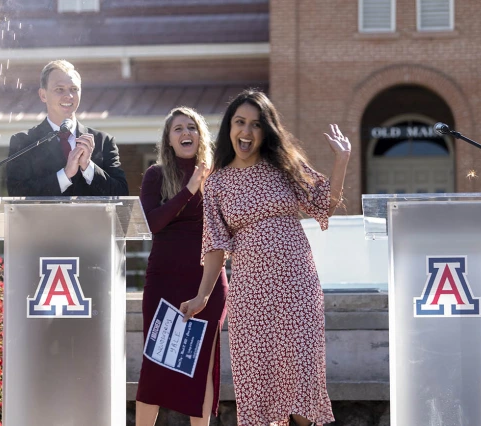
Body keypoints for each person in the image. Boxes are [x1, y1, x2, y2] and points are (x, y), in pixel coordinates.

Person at [180, 90, 351, 426]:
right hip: (251, 294)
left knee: (301, 381)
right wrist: (202, 296)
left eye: (256, 125)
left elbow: (323, 205)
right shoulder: (216, 183)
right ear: (229, 127)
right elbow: (215, 246)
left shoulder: (285, 166)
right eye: (240, 122)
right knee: (258, 383)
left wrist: (341, 161)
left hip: (297, 285)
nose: (247, 131)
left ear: (266, 130)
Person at [135, 107, 228, 426]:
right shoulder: (155, 175)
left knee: (201, 366)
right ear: (168, 140)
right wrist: (189, 189)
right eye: (178, 129)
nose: (185, 132)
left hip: (207, 282)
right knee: (155, 367)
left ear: (201, 135)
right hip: (163, 283)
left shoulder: (219, 177)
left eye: (192, 127)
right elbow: (154, 222)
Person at [6, 60, 128, 196]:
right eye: (59, 89)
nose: (69, 96)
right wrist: (65, 174)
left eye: (74, 89)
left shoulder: (103, 141)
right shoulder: (24, 142)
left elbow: (122, 195)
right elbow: (17, 194)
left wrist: (88, 167)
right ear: (43, 95)